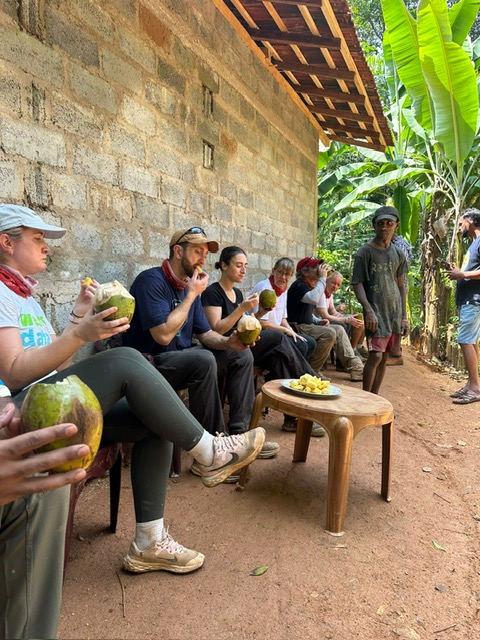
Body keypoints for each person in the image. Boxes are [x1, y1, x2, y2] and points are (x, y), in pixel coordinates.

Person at [0, 203, 266, 636]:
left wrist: (79, 316)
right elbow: (14, 372)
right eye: (37, 239)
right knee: (125, 359)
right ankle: (208, 451)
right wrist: (79, 334)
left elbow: (43, 358)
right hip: (24, 411)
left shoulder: (21, 291)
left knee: (150, 418)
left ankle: (148, 541)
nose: (46, 247)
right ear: (6, 243)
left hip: (50, 398)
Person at [123, 226, 278, 464]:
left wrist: (230, 342)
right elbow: (163, 336)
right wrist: (191, 295)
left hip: (181, 358)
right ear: (177, 251)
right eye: (197, 252)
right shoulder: (151, 281)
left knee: (242, 356)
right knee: (203, 360)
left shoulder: (189, 285)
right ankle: (213, 454)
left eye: (206, 254)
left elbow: (205, 335)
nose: (203, 259)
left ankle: (237, 434)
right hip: (149, 362)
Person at [201, 246, 326, 437]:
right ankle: (311, 381)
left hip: (243, 344)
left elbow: (242, 324)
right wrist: (242, 309)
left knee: (278, 358)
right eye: (238, 265)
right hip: (224, 348)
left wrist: (259, 313)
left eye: (245, 266)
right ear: (224, 265)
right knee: (277, 337)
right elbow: (218, 328)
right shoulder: (213, 292)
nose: (243, 270)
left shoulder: (238, 294)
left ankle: (291, 417)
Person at [351, 206, 408, 394]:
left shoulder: (398, 253)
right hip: (375, 311)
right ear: (374, 226)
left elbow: (401, 285)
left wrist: (403, 317)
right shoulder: (364, 252)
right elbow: (357, 283)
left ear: (396, 226)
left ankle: (375, 397)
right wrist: (367, 310)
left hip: (393, 312)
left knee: (384, 357)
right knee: (375, 355)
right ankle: (365, 397)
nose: (385, 227)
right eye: (381, 223)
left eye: (389, 223)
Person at [248, 256, 316, 361]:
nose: (283, 277)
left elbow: (283, 319)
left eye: (287, 274)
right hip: (259, 332)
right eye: (280, 272)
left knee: (310, 343)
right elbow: (261, 322)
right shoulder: (265, 288)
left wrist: (291, 332)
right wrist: (285, 330)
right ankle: (283, 374)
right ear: (273, 271)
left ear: (291, 276)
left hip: (277, 331)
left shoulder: (284, 289)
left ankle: (294, 373)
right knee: (301, 346)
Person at [446, 208, 480, 404]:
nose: (459, 227)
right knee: (472, 340)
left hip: (473, 299)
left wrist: (462, 275)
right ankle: (471, 384)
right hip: (469, 297)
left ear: (470, 221)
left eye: (461, 223)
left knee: (465, 340)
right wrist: (457, 271)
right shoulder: (474, 244)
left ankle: (475, 388)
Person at [286, 257, 337, 373]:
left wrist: (317, 321)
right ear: (305, 272)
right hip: (297, 326)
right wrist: (323, 278)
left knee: (336, 329)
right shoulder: (299, 285)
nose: (319, 269)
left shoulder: (308, 286)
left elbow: (306, 311)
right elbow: (314, 299)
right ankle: (312, 372)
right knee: (329, 333)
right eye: (314, 267)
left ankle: (311, 370)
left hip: (306, 325)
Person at [314, 271, 364, 382]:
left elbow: (332, 311)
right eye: (333, 283)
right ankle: (351, 363)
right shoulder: (321, 292)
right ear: (326, 280)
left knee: (357, 322)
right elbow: (324, 315)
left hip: (324, 321)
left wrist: (347, 317)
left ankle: (353, 354)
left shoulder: (329, 294)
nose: (335, 286)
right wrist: (345, 319)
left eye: (338, 285)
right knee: (341, 328)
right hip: (317, 323)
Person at [387, 232, 413, 366]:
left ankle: (395, 353)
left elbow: (398, 269)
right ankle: (391, 350)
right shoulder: (389, 244)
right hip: (390, 286)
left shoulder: (400, 246)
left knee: (396, 318)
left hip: (397, 286)